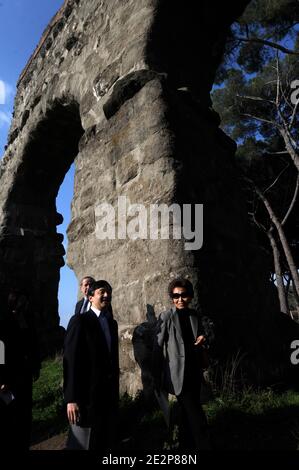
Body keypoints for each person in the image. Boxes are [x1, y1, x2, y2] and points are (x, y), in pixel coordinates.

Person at [152, 278, 214, 450]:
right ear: (172, 297)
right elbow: (157, 347)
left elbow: (203, 334)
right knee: (196, 415)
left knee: (188, 414)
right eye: (175, 296)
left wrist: (203, 339)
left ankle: (184, 447)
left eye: (184, 295)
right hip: (177, 374)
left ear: (190, 296)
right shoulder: (166, 316)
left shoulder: (194, 316)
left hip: (195, 371)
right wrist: (157, 375)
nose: (180, 299)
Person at [63, 280, 119, 451]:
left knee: (103, 442)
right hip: (85, 396)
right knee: (82, 443)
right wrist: (71, 398)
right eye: (102, 292)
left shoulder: (111, 323)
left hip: (107, 396)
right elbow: (70, 361)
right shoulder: (80, 321)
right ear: (90, 297)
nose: (106, 295)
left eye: (108, 291)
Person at [0, 288, 41, 451]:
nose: (26, 304)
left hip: (24, 374)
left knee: (24, 412)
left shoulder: (27, 320)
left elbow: (34, 345)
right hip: (9, 376)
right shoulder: (4, 320)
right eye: (23, 301)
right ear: (14, 301)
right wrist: (1, 378)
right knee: (10, 413)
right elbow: (0, 349)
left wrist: (36, 366)